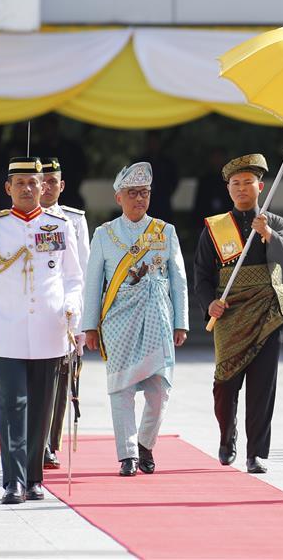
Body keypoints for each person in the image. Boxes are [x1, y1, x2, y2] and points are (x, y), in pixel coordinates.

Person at [0, 157, 84, 504]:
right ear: (8, 188)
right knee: (12, 403)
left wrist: (73, 310)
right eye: (20, 183)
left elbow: (74, 277)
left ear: (44, 187)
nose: (29, 189)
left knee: (42, 407)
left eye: (34, 183)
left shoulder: (59, 225)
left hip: (49, 330)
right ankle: (13, 481)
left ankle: (34, 478)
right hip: (8, 331)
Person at [82, 163, 189, 476]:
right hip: (118, 322)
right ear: (119, 198)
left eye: (144, 193)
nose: (139, 199)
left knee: (160, 391)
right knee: (122, 389)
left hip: (158, 317)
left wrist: (180, 321)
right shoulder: (104, 234)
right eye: (132, 193)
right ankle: (127, 455)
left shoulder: (165, 231)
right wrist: (90, 326)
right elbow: (92, 284)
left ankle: (145, 442)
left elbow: (178, 279)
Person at [194, 154, 283, 474]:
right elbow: (202, 275)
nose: (241, 189)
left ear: (260, 187)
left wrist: (267, 235)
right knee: (225, 381)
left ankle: (256, 452)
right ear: (228, 189)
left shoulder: (276, 224)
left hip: (268, 313)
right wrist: (209, 303)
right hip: (229, 313)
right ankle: (227, 435)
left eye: (247, 183)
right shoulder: (216, 227)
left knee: (262, 385)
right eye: (235, 184)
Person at [37, 158, 91, 469]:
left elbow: (82, 271)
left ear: (62, 185)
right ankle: (32, 441)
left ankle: (49, 445)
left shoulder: (73, 220)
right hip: (33, 313)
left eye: (52, 181)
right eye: (41, 180)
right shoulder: (22, 220)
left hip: (63, 314)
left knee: (60, 383)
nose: (45, 187)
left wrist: (82, 322)